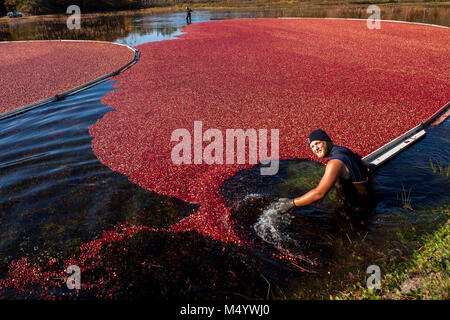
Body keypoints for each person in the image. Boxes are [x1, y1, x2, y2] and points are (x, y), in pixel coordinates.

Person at [274, 129, 376, 220]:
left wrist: (291, 203)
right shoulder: (343, 150)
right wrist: (370, 167)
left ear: (327, 141)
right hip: (369, 200)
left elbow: (319, 194)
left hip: (357, 210)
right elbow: (363, 162)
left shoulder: (334, 163)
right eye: (312, 147)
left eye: (318, 143)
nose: (315, 149)